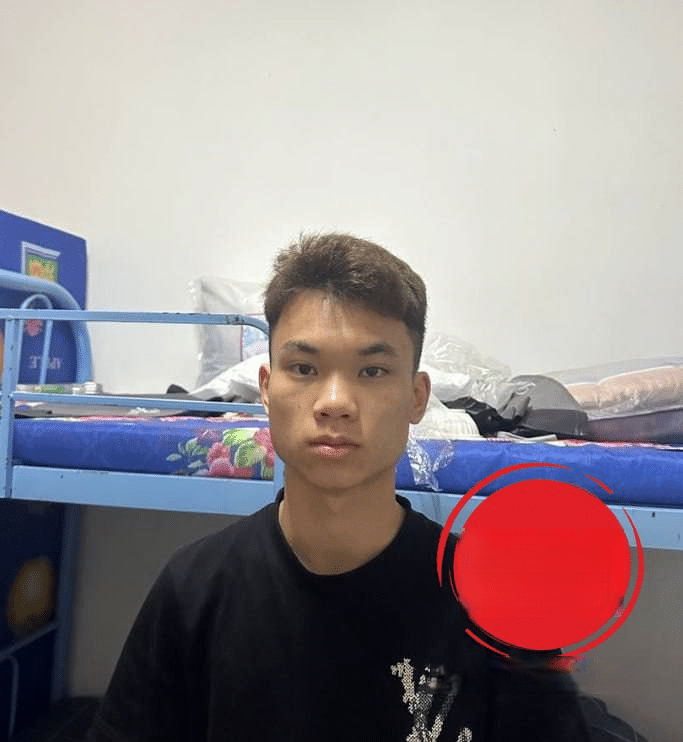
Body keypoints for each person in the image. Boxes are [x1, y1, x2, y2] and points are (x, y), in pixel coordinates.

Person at [86, 233, 592, 741]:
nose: (335, 402)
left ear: (417, 398)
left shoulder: (500, 607)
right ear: (267, 389)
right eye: (304, 368)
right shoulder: (193, 589)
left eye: (372, 371)